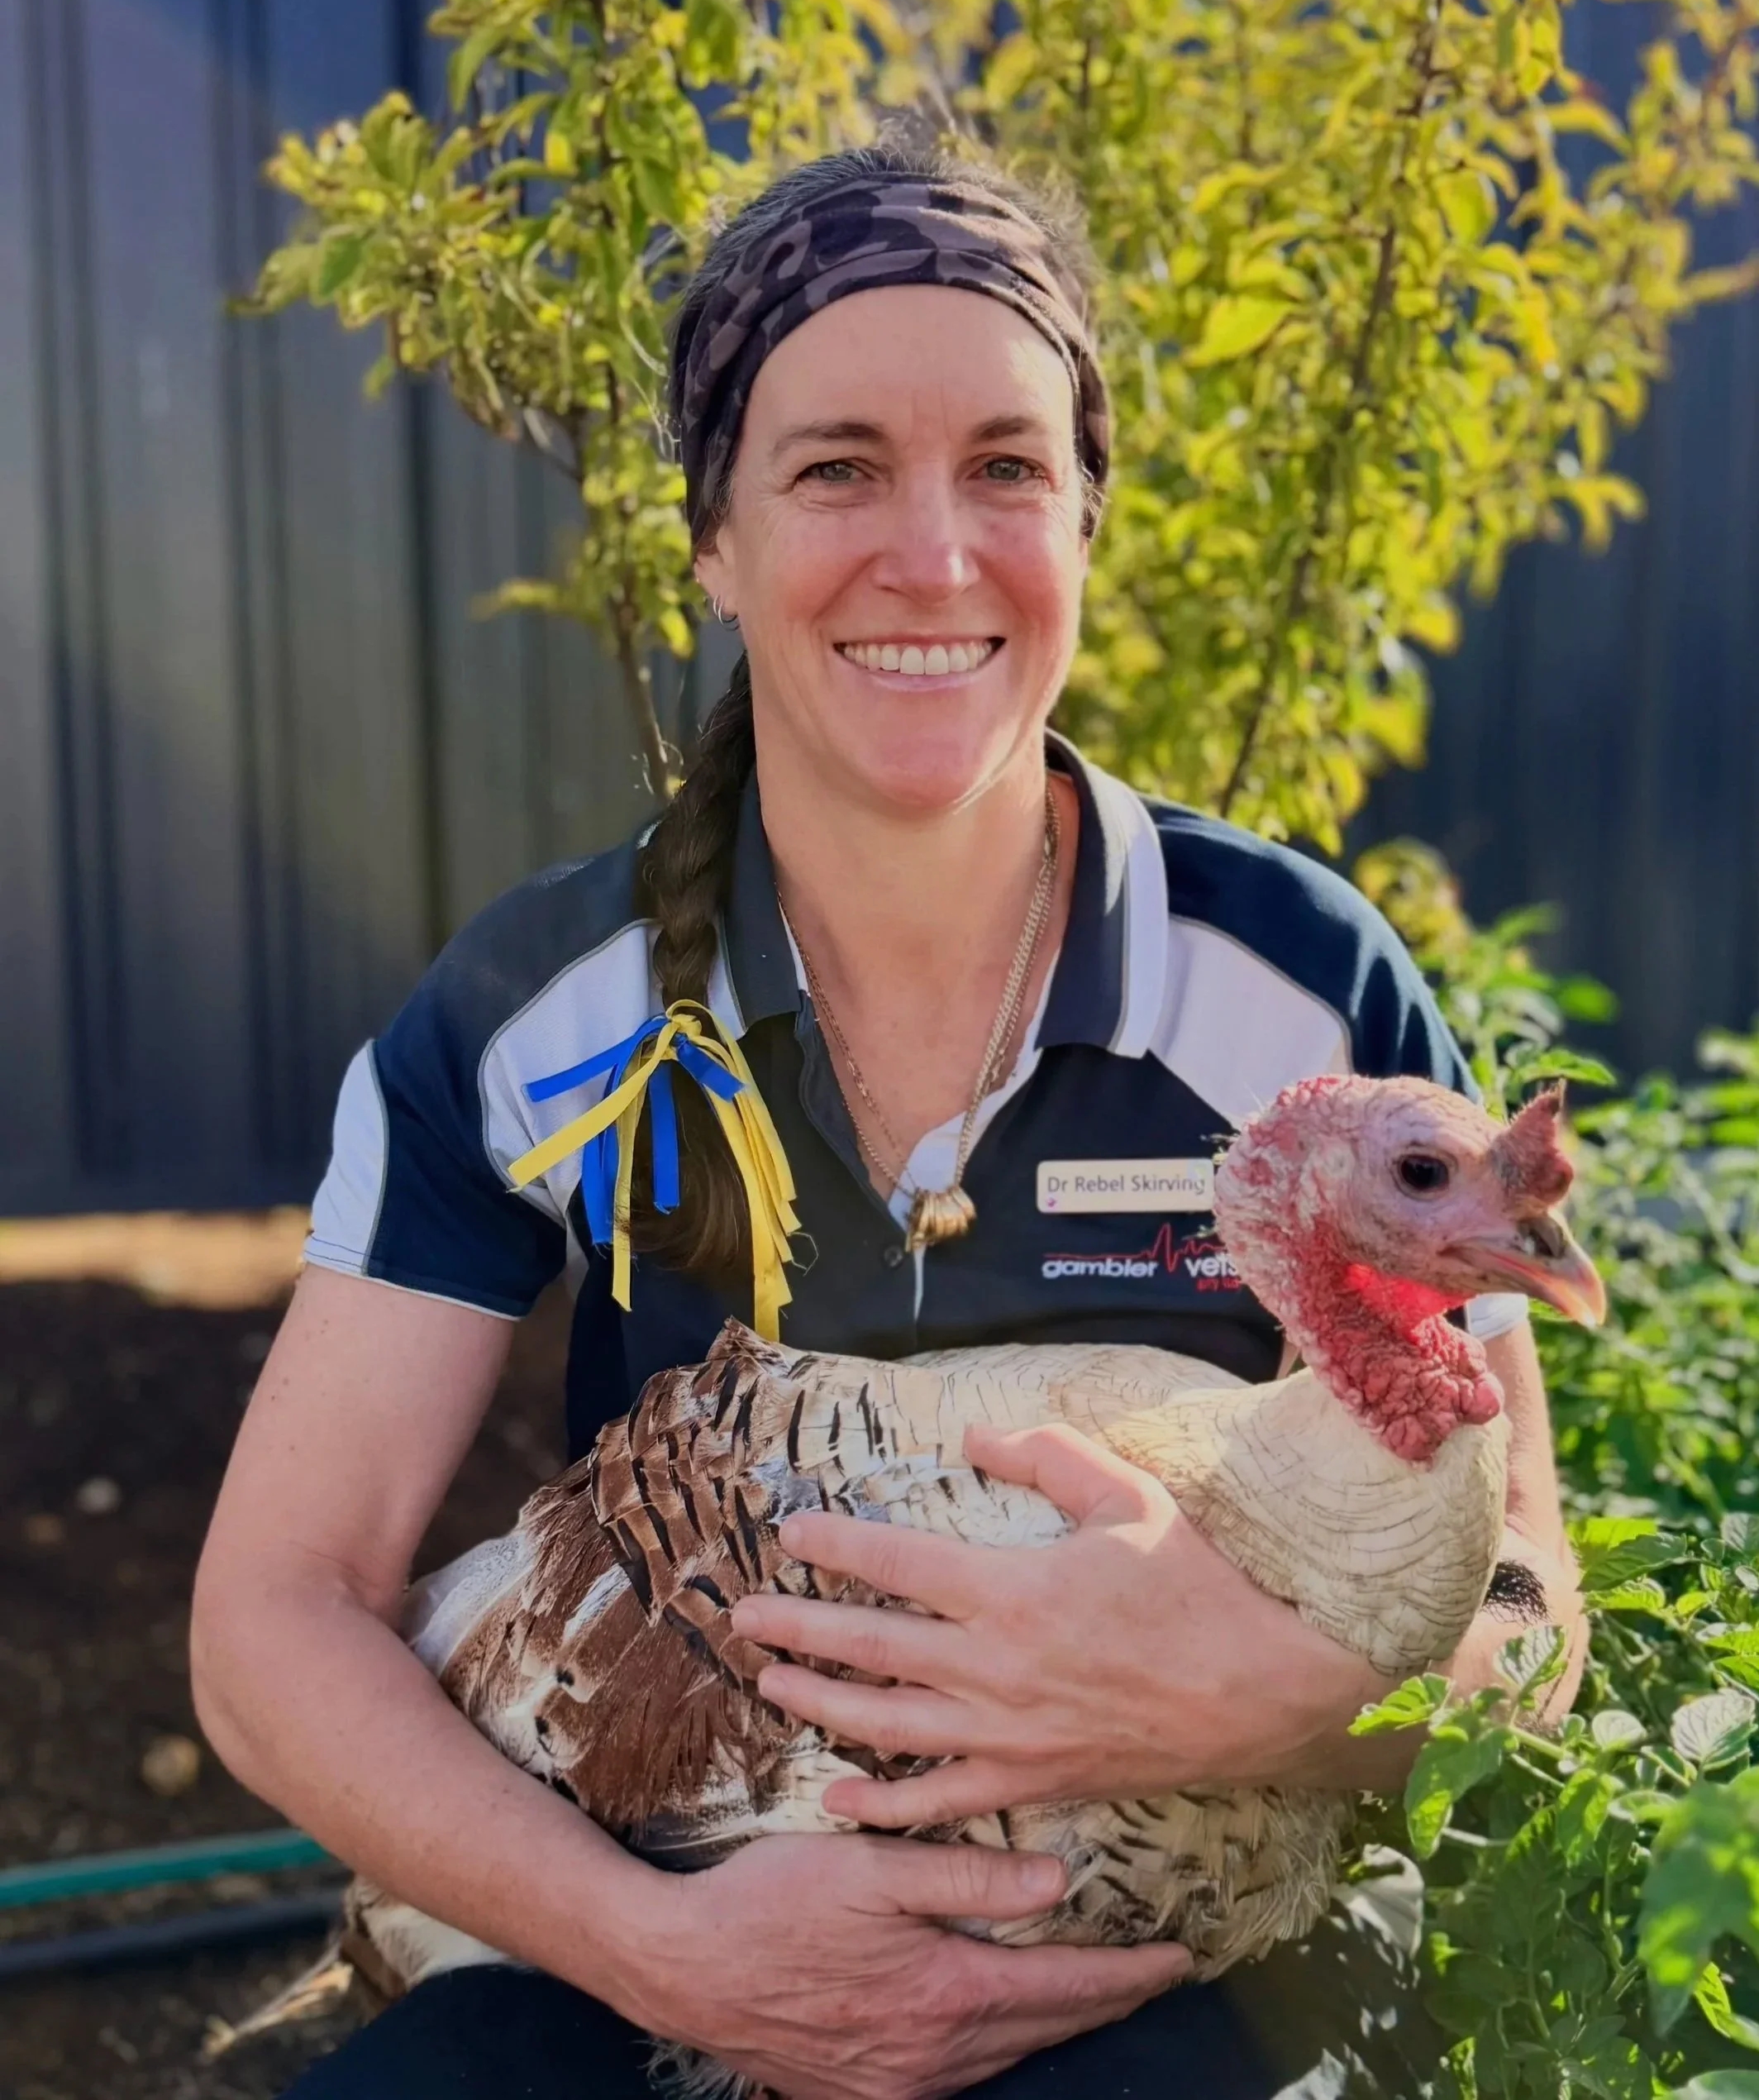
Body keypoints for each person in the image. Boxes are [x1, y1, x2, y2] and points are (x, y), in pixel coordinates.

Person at [191, 140, 1585, 2100]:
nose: (931, 555)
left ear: (1087, 518)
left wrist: (1264, 1701)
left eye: (1006, 466)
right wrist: (665, 1949)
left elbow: (1524, 1601)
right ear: (715, 541)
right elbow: (275, 1615)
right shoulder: (541, 1012)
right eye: (836, 465)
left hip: (1176, 1939)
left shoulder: (1295, 988)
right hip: (685, 1893)